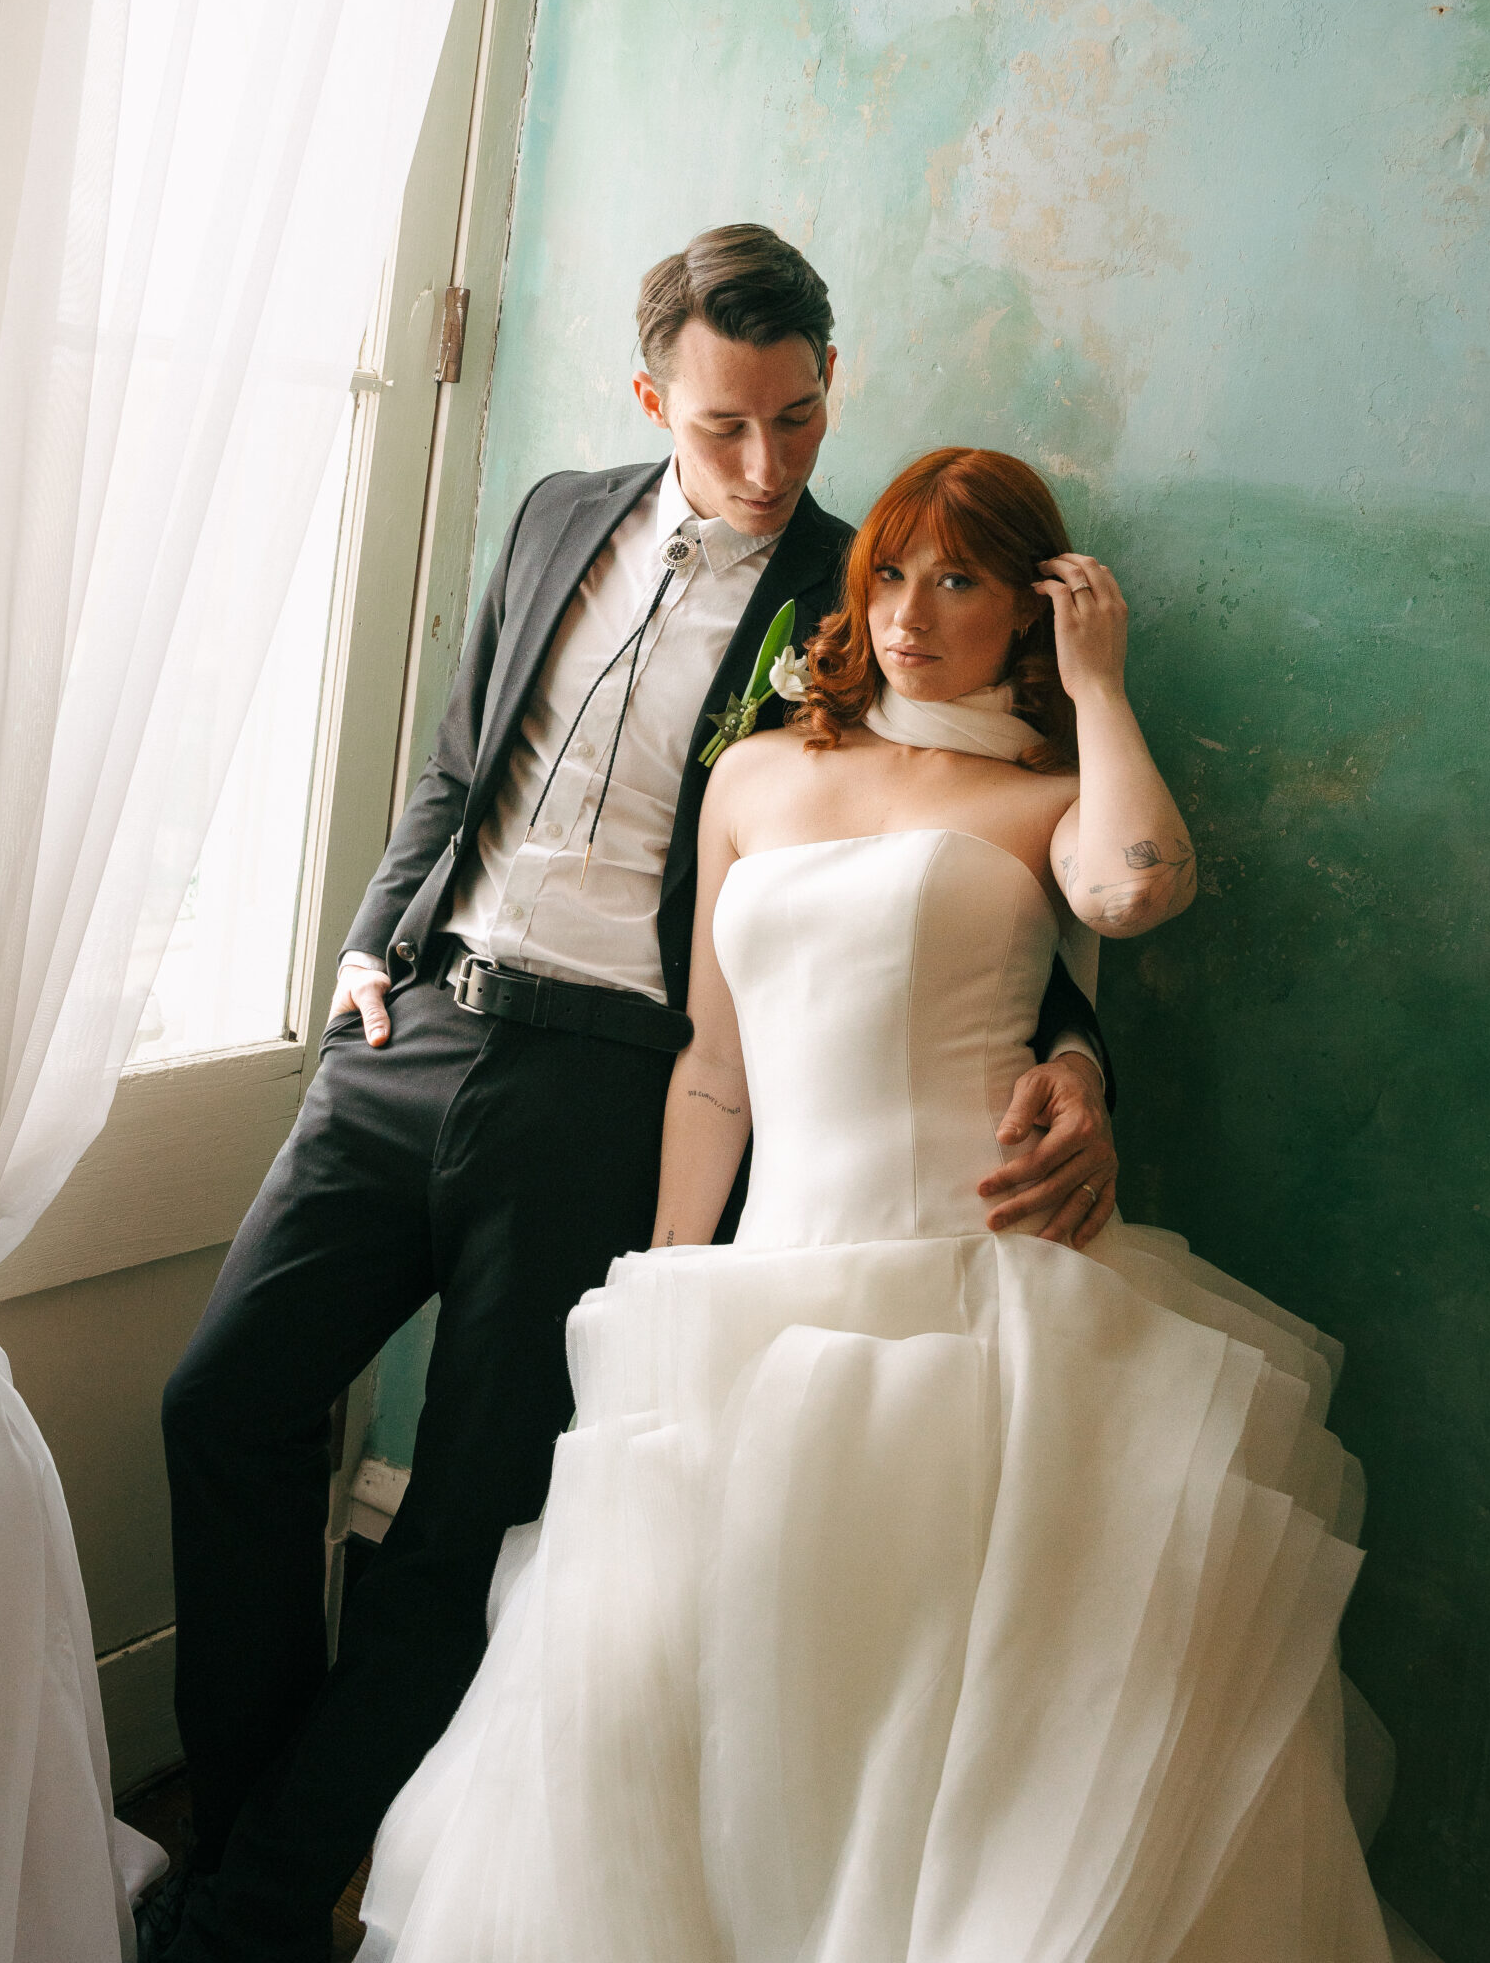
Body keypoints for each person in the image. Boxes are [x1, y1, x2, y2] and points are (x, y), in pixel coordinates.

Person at [150, 234, 1114, 1963]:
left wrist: (1076, 1057)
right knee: (222, 1404)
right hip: (419, 1032)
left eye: (803, 421)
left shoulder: (862, 591)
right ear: (654, 392)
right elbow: (458, 763)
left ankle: (249, 1921)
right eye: (729, 425)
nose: (768, 468)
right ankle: (254, 1839)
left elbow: (946, 864)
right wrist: (376, 949)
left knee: (463, 1524)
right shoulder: (549, 512)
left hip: (613, 1084)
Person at [357, 443, 1396, 1963]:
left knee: (951, 1721)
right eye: (891, 571)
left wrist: (1102, 688)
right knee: (701, 1698)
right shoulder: (760, 774)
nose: (910, 610)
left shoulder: (1046, 796)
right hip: (768, 1280)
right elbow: (716, 1067)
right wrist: (660, 1285)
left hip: (982, 1291)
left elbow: (1135, 890)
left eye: (961, 578)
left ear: (1030, 608)